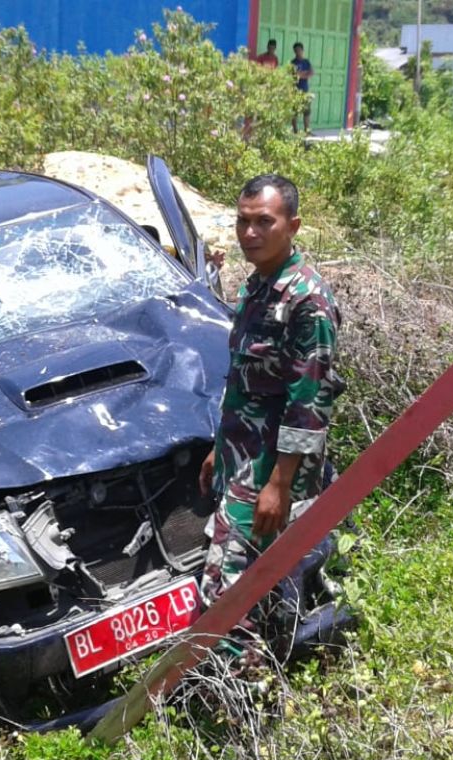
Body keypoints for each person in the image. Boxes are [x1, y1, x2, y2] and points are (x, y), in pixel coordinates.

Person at [199, 174, 342, 659]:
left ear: (293, 226)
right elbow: (242, 379)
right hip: (240, 455)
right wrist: (219, 448)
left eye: (264, 222)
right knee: (259, 573)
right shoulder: (256, 288)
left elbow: (310, 403)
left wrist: (279, 484)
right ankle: (268, 664)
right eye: (243, 221)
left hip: (271, 466)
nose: (250, 233)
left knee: (228, 588)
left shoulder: (307, 302)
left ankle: (240, 703)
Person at [290, 42, 313, 134]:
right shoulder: (293, 63)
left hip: (305, 90)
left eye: (299, 50)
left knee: (306, 111)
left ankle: (307, 130)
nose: (297, 52)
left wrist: (301, 75)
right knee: (294, 112)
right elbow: (293, 75)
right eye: (296, 50)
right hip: (295, 90)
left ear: (302, 50)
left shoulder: (306, 62)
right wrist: (303, 74)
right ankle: (295, 130)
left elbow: (311, 73)